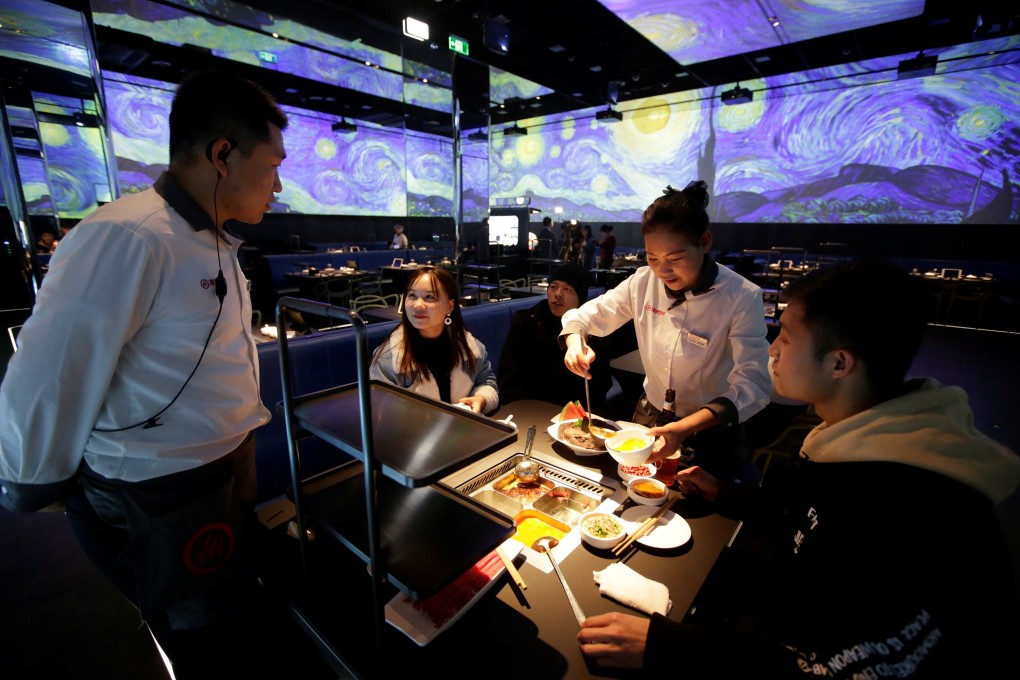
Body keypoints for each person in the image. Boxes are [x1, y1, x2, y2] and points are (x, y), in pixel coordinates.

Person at [578, 260, 1020, 677]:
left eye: (785, 338)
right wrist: (727, 493)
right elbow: (809, 514)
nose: (773, 349)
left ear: (839, 363)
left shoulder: (910, 507)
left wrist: (670, 649)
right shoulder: (863, 437)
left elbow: (832, 665)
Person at [0, 69, 291, 674]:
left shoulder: (210, 238)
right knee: (203, 636)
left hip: (222, 471)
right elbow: (52, 372)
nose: (279, 184)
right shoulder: (127, 234)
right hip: (160, 490)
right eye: (272, 165)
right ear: (221, 155)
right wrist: (33, 477)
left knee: (232, 618)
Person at [562, 181, 771, 480]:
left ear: (705, 242)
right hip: (652, 414)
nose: (662, 271)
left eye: (674, 258)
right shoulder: (642, 282)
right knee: (635, 489)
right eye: (652, 258)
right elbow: (588, 314)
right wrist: (574, 340)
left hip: (711, 427)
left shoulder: (741, 296)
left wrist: (687, 428)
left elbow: (753, 384)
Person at [371, 266, 498, 414]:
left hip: (463, 431)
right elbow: (379, 412)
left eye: (429, 297)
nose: (418, 305)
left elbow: (486, 381)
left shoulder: (470, 347)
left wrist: (481, 399)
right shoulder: (388, 358)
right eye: (412, 295)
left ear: (449, 306)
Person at [498, 263, 611, 409]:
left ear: (580, 297)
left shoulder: (594, 329)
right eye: (553, 287)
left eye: (567, 289)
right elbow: (508, 377)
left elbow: (601, 384)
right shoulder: (525, 322)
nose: (558, 294)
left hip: (574, 414)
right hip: (528, 410)